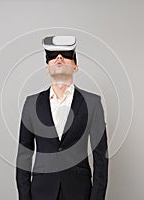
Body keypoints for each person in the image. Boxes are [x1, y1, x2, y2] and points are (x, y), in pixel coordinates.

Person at [16, 35, 108, 200]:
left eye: (66, 55)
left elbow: (101, 158)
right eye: (52, 56)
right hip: (41, 192)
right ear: (47, 67)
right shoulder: (31, 104)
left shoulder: (92, 103)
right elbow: (24, 156)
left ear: (76, 66)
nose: (59, 58)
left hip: (79, 192)